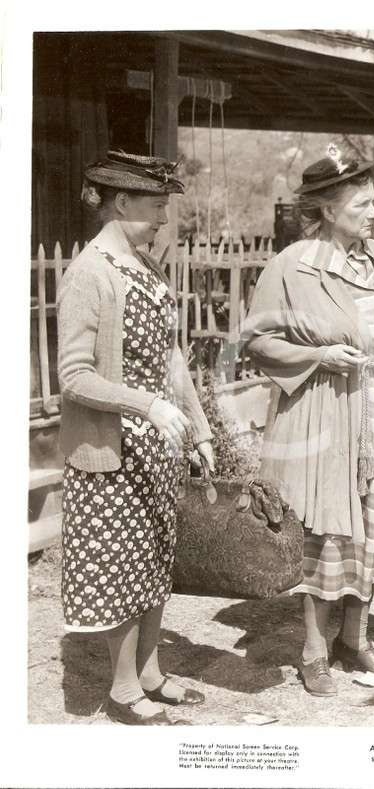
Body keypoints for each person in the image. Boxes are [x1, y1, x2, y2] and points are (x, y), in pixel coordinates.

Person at [244, 144, 374, 695]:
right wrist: (319, 356)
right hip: (322, 415)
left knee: (369, 526)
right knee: (326, 530)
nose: (373, 215)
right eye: (361, 205)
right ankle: (314, 650)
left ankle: (355, 638)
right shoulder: (291, 266)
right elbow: (257, 340)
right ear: (326, 209)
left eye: (373, 203)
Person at [57, 151, 215, 725]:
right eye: (155, 207)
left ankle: (149, 671)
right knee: (121, 569)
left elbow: (172, 359)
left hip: (157, 445)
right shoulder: (89, 273)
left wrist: (196, 429)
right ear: (120, 203)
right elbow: (73, 376)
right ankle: (124, 689)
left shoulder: (145, 268)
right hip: (110, 449)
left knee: (153, 562)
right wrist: (145, 405)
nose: (164, 219)